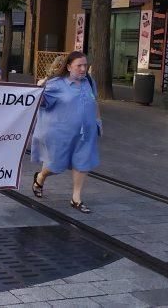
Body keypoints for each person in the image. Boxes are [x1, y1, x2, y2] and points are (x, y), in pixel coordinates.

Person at [31, 51, 101, 214]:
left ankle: (76, 198)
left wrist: (98, 122)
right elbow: (42, 104)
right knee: (55, 165)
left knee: (82, 162)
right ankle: (40, 177)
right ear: (69, 67)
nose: (83, 69)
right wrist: (39, 89)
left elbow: (94, 102)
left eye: (85, 65)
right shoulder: (56, 83)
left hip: (85, 133)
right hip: (60, 133)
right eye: (79, 66)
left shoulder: (89, 82)